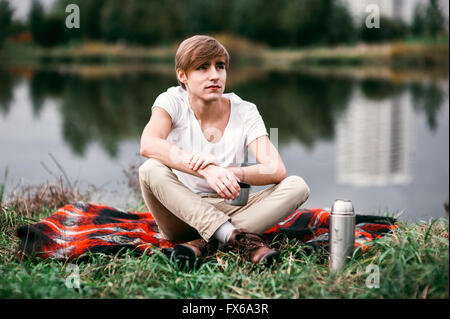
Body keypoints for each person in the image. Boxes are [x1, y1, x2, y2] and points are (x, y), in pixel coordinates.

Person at [139, 35, 310, 266]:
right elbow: (148, 143)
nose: (214, 75)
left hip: (231, 204)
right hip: (180, 211)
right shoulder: (172, 101)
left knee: (297, 185)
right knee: (150, 169)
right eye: (202, 67)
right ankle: (232, 236)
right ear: (182, 75)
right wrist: (207, 170)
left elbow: (275, 168)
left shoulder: (245, 110)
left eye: (220, 66)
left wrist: (229, 172)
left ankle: (208, 241)